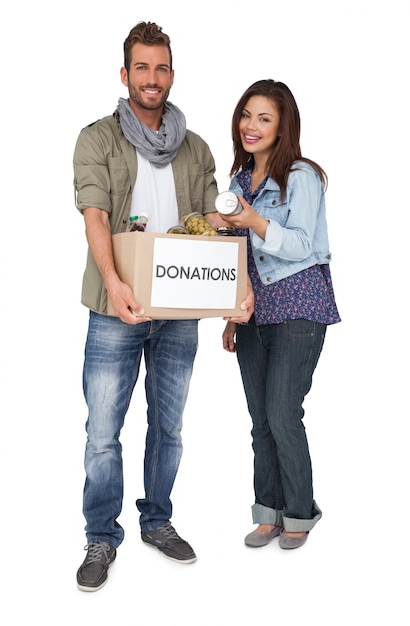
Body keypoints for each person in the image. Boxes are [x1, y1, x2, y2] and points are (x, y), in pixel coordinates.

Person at [73, 21, 252, 592]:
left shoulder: (194, 147)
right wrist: (114, 282)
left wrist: (235, 291)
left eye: (163, 68)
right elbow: (95, 216)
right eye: (142, 68)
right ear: (125, 75)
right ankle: (101, 536)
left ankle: (158, 521)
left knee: (168, 428)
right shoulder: (97, 138)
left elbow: (214, 227)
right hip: (115, 306)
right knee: (103, 431)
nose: (153, 79)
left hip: (178, 311)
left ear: (172, 74)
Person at [221, 79, 341, 551]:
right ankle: (267, 512)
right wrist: (232, 316)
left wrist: (254, 221)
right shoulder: (236, 182)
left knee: (283, 413)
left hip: (298, 307)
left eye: (263, 118)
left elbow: (303, 245)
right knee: (260, 419)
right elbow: (236, 260)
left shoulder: (303, 176)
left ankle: (299, 512)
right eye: (246, 115)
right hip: (253, 313)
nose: (251, 126)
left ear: (282, 125)